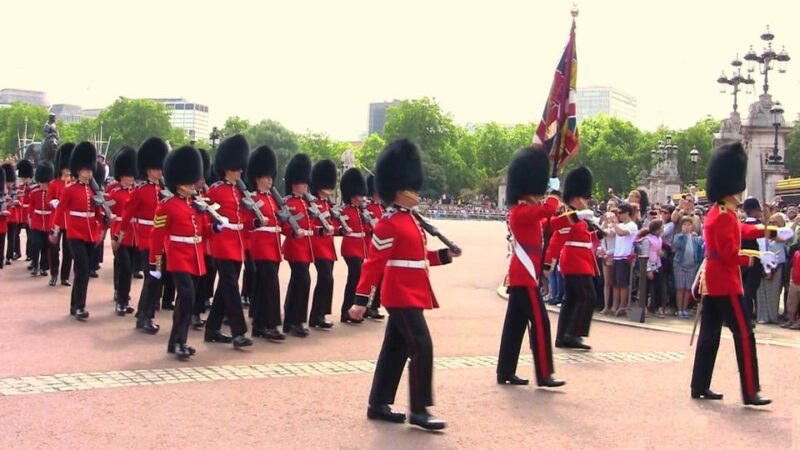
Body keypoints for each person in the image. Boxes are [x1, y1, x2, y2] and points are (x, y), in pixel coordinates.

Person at [349, 138, 459, 431]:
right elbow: (373, 263)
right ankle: (420, 410)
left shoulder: (409, 221)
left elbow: (418, 259)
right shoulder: (388, 223)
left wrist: (444, 256)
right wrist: (360, 300)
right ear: (398, 189)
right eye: (412, 187)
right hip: (400, 295)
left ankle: (378, 403)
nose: (417, 193)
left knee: (395, 349)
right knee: (422, 347)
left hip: (413, 292)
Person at [691, 142, 774, 406]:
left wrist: (769, 231)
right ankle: (751, 390)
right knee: (744, 333)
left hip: (713, 282)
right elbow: (730, 255)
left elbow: (741, 232)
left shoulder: (720, 212)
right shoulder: (725, 215)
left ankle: (699, 385)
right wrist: (757, 257)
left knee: (710, 335)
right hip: (726, 282)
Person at [497, 147, 565, 387]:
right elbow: (548, 210)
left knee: (514, 326)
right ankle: (545, 373)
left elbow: (551, 221)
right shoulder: (521, 211)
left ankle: (505, 371)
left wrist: (575, 217)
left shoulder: (527, 210)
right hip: (524, 276)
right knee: (540, 322)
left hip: (525, 275)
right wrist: (554, 191)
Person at [150, 146, 210, 360]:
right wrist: (155, 265)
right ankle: (177, 342)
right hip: (177, 257)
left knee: (188, 301)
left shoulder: (196, 205)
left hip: (195, 257)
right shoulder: (166, 206)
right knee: (186, 297)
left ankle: (178, 342)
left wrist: (216, 227)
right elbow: (157, 236)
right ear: (177, 182)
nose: (191, 185)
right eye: (187, 182)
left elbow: (203, 231)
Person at [204, 134, 253, 349]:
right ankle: (238, 332)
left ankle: (212, 329)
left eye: (241, 168)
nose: (240, 171)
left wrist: (254, 220)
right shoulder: (215, 190)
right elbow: (206, 215)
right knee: (231, 286)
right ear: (226, 167)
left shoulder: (240, 192)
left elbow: (245, 219)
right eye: (236, 168)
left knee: (225, 287)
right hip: (223, 243)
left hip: (238, 242)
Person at [117, 137, 169, 334]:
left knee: (157, 278)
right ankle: (144, 317)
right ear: (148, 169)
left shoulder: (163, 190)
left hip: (161, 240)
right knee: (152, 276)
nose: (159, 171)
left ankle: (144, 314)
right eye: (156, 168)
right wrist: (120, 234)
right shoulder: (141, 191)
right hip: (147, 239)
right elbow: (127, 214)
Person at [51, 142, 106, 320]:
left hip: (90, 233)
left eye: (90, 170)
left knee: (85, 269)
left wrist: (103, 222)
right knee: (82, 269)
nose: (89, 173)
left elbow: (97, 213)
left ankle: (75, 305)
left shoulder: (93, 190)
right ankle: (80, 306)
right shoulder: (70, 190)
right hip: (75, 233)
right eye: (85, 170)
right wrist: (56, 229)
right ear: (78, 170)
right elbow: (60, 211)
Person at [552, 167, 600, 350]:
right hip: (574, 261)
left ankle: (563, 336)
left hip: (582, 260)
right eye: (584, 198)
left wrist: (599, 234)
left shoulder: (581, 216)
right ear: (576, 198)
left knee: (571, 299)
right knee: (588, 297)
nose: (586, 201)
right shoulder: (569, 215)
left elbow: (586, 236)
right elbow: (558, 239)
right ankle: (573, 334)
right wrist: (550, 262)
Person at [246, 145, 286, 341]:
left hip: (274, 245)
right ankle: (271, 324)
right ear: (256, 177)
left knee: (264, 286)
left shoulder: (273, 199)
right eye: (266, 176)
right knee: (271, 284)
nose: (270, 179)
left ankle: (259, 325)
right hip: (261, 246)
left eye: (271, 176)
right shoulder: (253, 199)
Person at [281, 154, 316, 337]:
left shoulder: (307, 203)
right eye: (303, 182)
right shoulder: (288, 202)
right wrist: (293, 231)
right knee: (303, 280)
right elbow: (284, 225)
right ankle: (296, 320)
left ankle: (290, 321)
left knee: (297, 282)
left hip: (306, 247)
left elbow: (312, 225)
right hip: (295, 247)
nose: (306, 185)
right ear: (295, 182)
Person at [108, 147, 138, 316]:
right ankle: (121, 301)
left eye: (132, 176)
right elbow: (108, 212)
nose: (130, 179)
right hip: (119, 232)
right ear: (121, 176)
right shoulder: (114, 192)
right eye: (127, 176)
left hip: (133, 234)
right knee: (124, 266)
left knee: (128, 268)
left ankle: (123, 296)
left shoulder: (136, 192)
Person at [308, 159, 337, 329]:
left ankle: (319, 314)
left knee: (327, 280)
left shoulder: (328, 204)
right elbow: (309, 224)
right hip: (318, 245)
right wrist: (321, 230)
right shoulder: (314, 203)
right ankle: (316, 315)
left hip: (329, 246)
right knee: (326, 278)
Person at [338, 168, 370, 325]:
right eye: (359, 195)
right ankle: (346, 311)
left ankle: (353, 311)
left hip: (361, 247)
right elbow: (338, 227)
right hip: (350, 247)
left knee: (357, 278)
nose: (361, 198)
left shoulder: (361, 211)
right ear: (351, 195)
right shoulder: (345, 211)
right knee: (354, 277)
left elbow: (368, 230)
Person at [46, 144, 74, 287]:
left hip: (68, 222)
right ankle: (54, 274)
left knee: (68, 251)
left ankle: (64, 276)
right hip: (56, 221)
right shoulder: (53, 183)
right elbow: (48, 200)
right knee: (53, 249)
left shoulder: (73, 184)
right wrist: (54, 203)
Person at [26, 162, 55, 277]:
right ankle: (34, 264)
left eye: (46, 183)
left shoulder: (52, 193)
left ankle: (44, 267)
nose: (44, 185)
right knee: (35, 243)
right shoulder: (34, 192)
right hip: (37, 222)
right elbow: (31, 207)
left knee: (46, 245)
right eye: (42, 183)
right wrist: (30, 219)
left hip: (48, 221)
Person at [608, 202, 638, 314]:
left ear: (627, 213)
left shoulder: (632, 225)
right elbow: (608, 233)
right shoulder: (619, 225)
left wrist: (614, 223)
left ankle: (622, 306)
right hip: (616, 256)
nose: (618, 215)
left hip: (625, 257)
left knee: (623, 284)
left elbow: (621, 233)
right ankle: (615, 306)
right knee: (615, 284)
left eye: (620, 212)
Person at [363, 175, 385, 319]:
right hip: (370, 245)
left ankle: (375, 306)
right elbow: (363, 227)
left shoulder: (384, 207)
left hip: (383, 247)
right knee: (371, 278)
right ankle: (367, 306)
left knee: (380, 278)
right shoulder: (367, 208)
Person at [672, 216, 703, 318]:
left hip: (692, 266)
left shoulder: (696, 238)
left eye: (689, 225)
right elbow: (676, 245)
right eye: (684, 225)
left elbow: (699, 251)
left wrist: (697, 263)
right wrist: (683, 235)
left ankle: (685, 309)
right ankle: (679, 309)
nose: (687, 227)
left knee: (688, 289)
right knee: (680, 288)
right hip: (680, 265)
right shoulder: (678, 236)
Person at [636, 220, 667, 318]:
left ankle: (658, 308)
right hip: (648, 266)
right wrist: (648, 270)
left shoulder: (659, 238)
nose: (663, 228)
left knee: (659, 288)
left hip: (658, 265)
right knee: (645, 288)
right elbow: (644, 254)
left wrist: (661, 253)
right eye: (661, 227)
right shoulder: (646, 240)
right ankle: (642, 308)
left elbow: (658, 251)